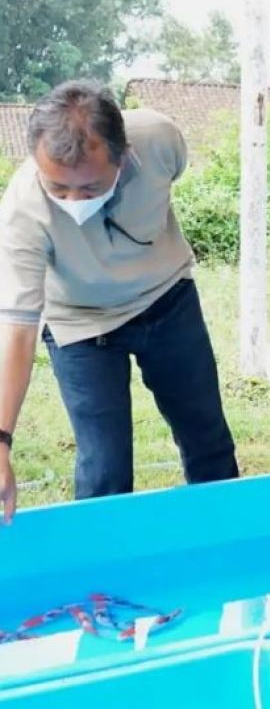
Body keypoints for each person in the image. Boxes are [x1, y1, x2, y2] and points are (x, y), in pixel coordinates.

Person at [0, 81, 239, 522]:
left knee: (208, 442)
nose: (73, 202)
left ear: (123, 153)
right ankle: (98, 586)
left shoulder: (159, 139)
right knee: (104, 469)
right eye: (58, 188)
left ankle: (226, 544)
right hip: (80, 325)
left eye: (89, 188)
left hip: (167, 301)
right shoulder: (22, 209)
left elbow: (171, 175)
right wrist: (1, 440)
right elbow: (17, 327)